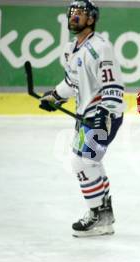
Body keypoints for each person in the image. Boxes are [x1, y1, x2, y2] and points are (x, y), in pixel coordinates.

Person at [39, 0, 125, 237]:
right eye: (72, 13)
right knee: (90, 163)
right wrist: (55, 97)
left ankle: (97, 215)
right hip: (86, 116)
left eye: (81, 13)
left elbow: (113, 83)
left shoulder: (100, 47)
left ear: (92, 19)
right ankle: (104, 216)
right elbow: (71, 83)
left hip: (101, 116)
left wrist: (105, 112)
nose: (74, 17)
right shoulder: (71, 49)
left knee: (82, 162)